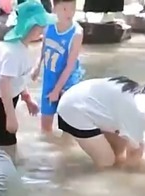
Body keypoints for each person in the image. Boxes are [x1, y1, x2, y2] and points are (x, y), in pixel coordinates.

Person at [56, 76, 145, 169]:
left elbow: (130, 141)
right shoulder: (140, 110)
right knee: (108, 163)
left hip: (75, 97)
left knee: (119, 148)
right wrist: (132, 177)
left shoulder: (142, 93)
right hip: (74, 110)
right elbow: (134, 154)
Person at [0, 0, 53, 158]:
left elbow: (17, 78)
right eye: (41, 26)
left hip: (6, 98)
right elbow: (4, 83)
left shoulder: (21, 46)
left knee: (8, 143)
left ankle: (9, 166)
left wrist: (27, 98)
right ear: (31, 27)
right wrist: (11, 116)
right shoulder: (13, 51)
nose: (43, 29)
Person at [32, 0, 85, 134]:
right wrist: (37, 66)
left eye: (73, 8)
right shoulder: (48, 25)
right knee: (45, 126)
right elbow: (44, 46)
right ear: (55, 8)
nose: (69, 13)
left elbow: (70, 66)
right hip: (50, 76)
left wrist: (57, 90)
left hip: (68, 81)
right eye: (65, 9)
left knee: (68, 128)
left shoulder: (77, 33)